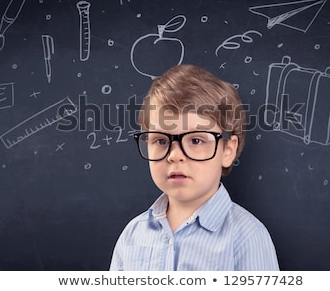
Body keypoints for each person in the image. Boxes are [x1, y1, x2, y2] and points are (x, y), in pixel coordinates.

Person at [110, 64, 279, 270]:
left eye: (196, 141)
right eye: (161, 141)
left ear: (227, 150)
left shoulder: (247, 237)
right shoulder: (132, 235)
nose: (174, 156)